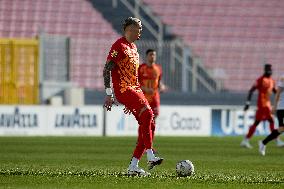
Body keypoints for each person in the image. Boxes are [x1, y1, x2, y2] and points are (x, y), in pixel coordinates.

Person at [103, 17, 163, 176]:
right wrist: (109, 94)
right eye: (139, 28)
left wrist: (135, 99)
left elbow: (134, 77)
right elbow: (106, 69)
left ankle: (133, 166)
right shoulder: (119, 46)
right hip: (124, 90)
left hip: (134, 90)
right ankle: (150, 155)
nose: (141, 31)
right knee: (149, 115)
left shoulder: (134, 48)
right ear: (129, 29)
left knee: (150, 124)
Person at [240, 64, 284, 148]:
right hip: (262, 105)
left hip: (267, 105)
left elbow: (276, 92)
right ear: (265, 70)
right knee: (270, 121)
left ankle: (245, 140)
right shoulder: (260, 80)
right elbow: (251, 90)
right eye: (268, 69)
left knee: (258, 122)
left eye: (270, 69)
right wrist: (247, 103)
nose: (270, 71)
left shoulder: (272, 80)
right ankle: (277, 140)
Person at [259, 74, 284, 155]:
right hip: (282, 107)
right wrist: (274, 106)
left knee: (281, 129)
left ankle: (263, 142)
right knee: (281, 128)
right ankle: (263, 142)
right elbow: (278, 93)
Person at [138, 49, 166, 120]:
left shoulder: (158, 68)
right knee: (144, 118)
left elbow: (159, 82)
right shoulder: (141, 68)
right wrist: (145, 89)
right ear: (147, 56)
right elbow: (135, 83)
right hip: (144, 97)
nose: (153, 56)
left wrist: (162, 87)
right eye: (151, 54)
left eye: (154, 55)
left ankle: (151, 131)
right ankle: (146, 131)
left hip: (154, 96)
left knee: (154, 116)